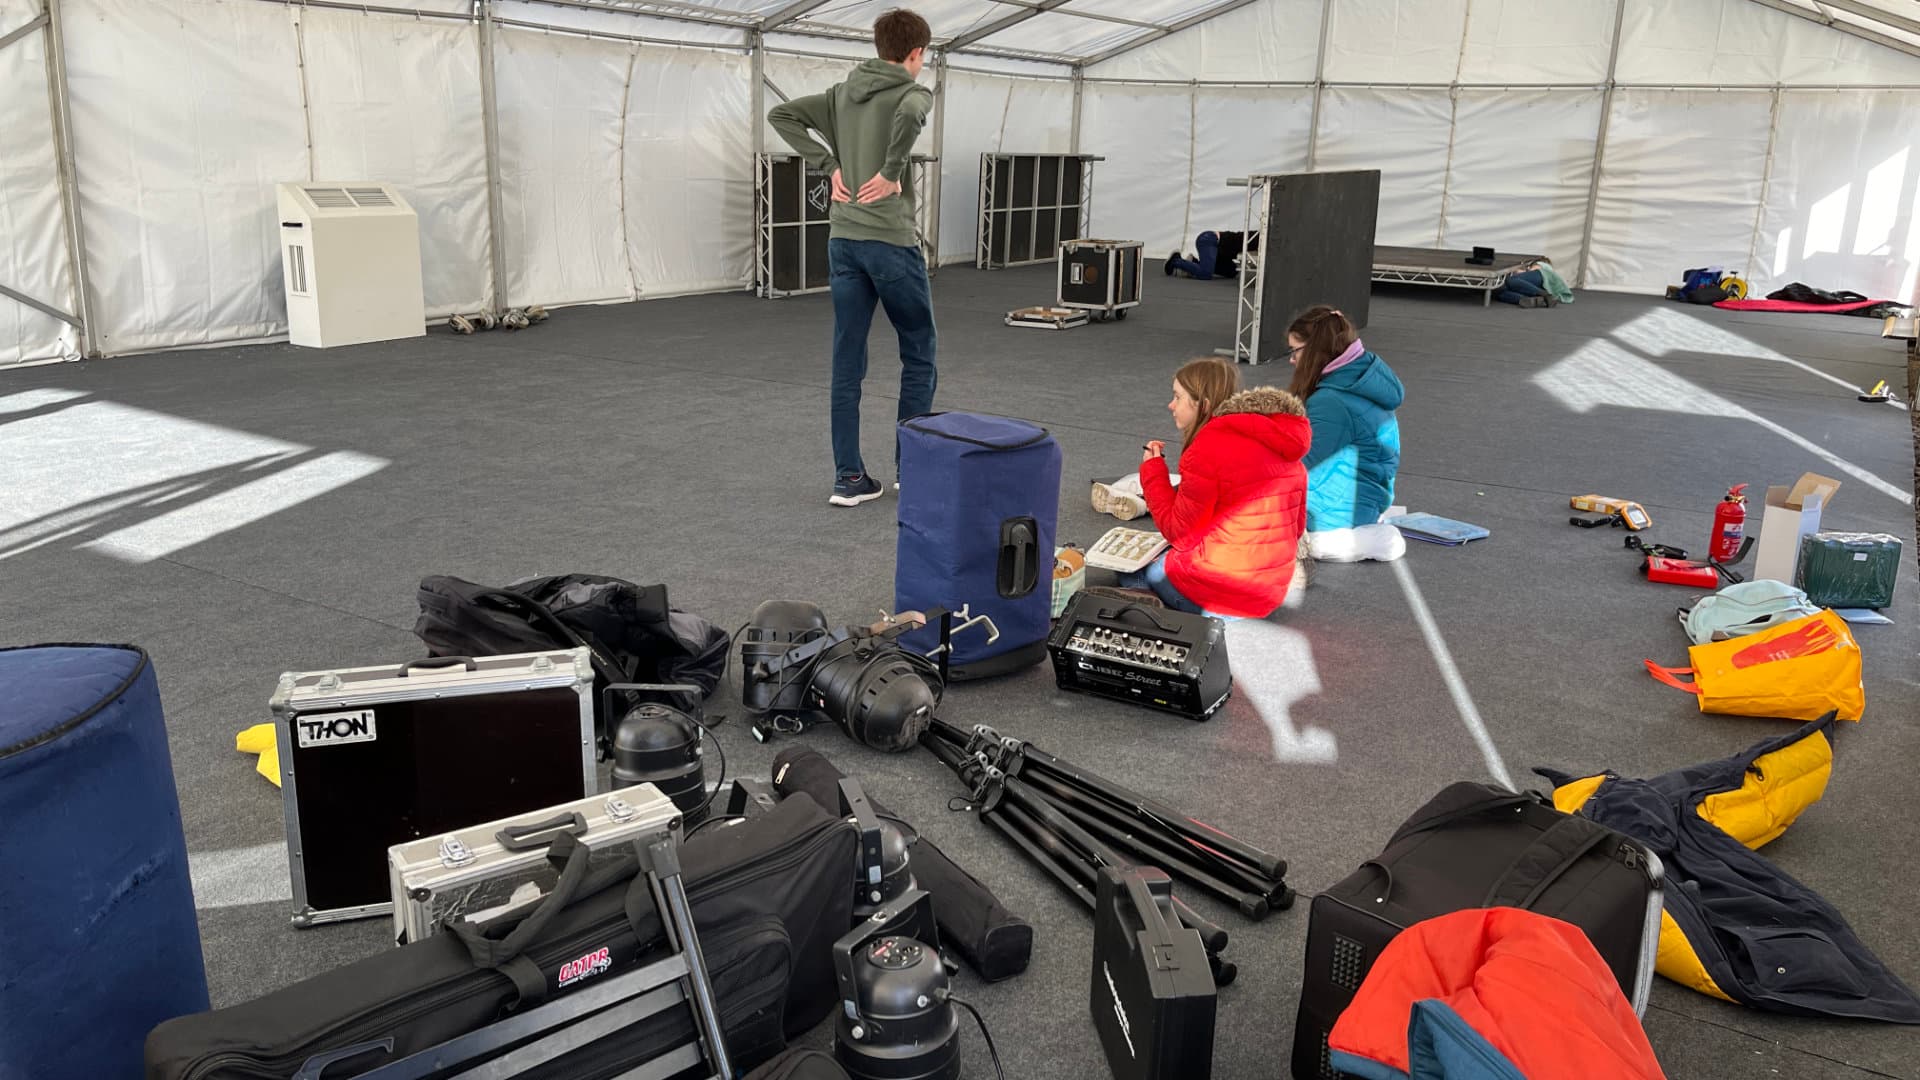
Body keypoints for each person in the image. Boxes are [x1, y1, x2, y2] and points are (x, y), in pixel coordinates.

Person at [768, 10, 936, 507]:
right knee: (919, 351)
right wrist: (890, 170)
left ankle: (849, 479)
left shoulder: (841, 95)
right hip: (890, 243)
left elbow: (782, 116)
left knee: (847, 360)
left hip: (843, 243)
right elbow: (910, 116)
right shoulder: (913, 93)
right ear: (915, 54)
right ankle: (914, 469)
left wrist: (829, 164)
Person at [1118, 358, 1311, 619]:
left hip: (1225, 594)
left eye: (1177, 397)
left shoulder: (1207, 449)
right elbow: (1296, 529)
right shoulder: (1284, 443)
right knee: (1164, 557)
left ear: (1203, 404)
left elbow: (1180, 534)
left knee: (1137, 569)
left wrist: (1152, 472)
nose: (1171, 405)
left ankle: (1168, 612)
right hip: (1270, 592)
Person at [1286, 306, 1407, 563]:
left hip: (1347, 509)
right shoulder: (1358, 379)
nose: (1292, 359)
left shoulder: (1331, 401)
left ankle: (1356, 538)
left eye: (1295, 350)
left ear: (1315, 351)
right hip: (1368, 498)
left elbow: (1299, 464)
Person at [1165, 230, 1257, 281]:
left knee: (1232, 272)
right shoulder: (1259, 237)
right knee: (1205, 274)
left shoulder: (1259, 238)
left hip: (1219, 249)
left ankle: (1194, 262)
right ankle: (1176, 260)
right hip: (1209, 240)